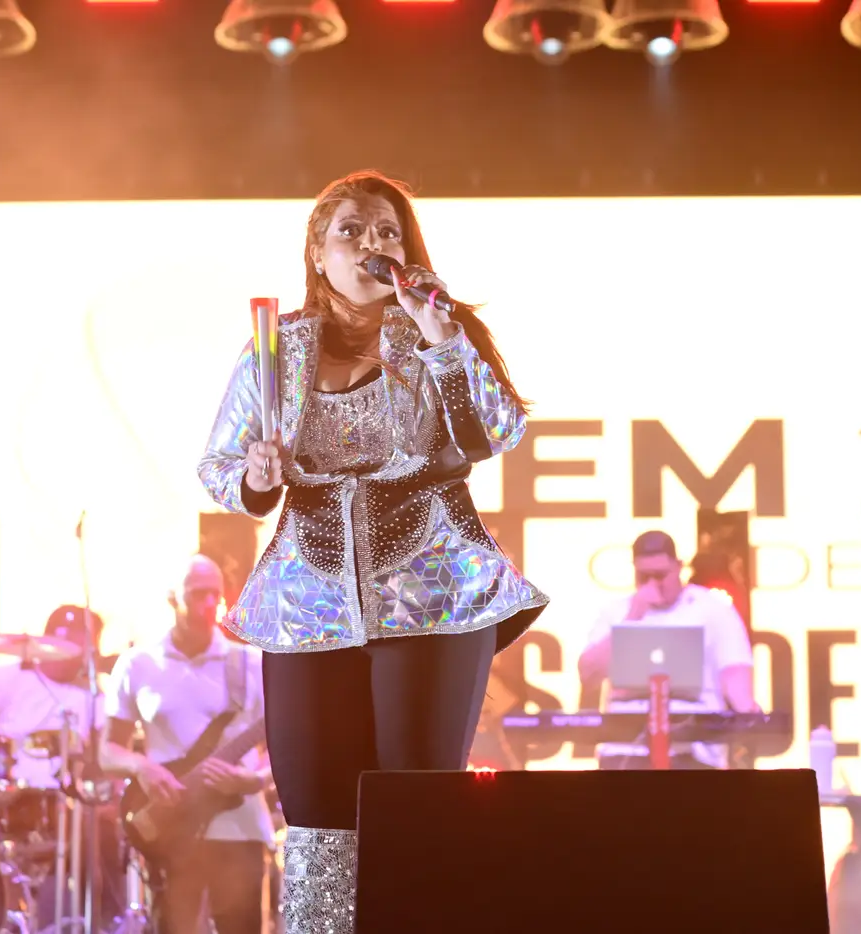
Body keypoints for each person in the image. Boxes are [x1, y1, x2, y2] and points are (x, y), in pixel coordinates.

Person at [197, 169, 548, 932]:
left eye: (387, 232)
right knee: (318, 822)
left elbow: (494, 432)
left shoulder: (434, 333)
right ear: (317, 253)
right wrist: (255, 477)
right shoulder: (277, 350)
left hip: (431, 593)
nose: (370, 244)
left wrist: (442, 337)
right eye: (351, 230)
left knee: (416, 804)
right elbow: (218, 464)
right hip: (307, 603)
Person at [0, 605, 127, 927]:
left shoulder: (95, 700)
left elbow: (110, 765)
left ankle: (105, 922)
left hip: (63, 811)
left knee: (102, 834)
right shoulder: (5, 677)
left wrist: (111, 796)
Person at [103, 555, 274, 934]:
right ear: (172, 598)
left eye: (215, 594)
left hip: (239, 827)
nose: (209, 604)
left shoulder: (250, 663)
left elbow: (283, 748)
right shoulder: (137, 664)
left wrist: (256, 780)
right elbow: (107, 751)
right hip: (171, 831)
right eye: (198, 594)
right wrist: (142, 767)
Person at [577, 530, 757, 769]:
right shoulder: (617, 612)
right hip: (624, 751)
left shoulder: (713, 609)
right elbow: (588, 675)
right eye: (644, 576)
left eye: (660, 575)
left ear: (678, 567)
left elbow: (734, 673)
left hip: (695, 751)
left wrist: (749, 712)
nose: (653, 584)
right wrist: (632, 618)